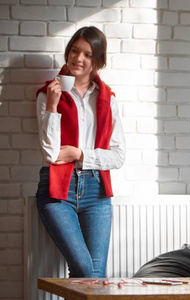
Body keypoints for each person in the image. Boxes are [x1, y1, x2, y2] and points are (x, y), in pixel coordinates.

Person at [35, 26, 125, 278]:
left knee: (96, 275)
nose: (78, 58)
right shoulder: (47, 95)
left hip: (96, 192)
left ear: (98, 60)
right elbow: (51, 154)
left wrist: (79, 154)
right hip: (57, 192)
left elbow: (118, 156)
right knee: (85, 270)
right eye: (75, 51)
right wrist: (53, 107)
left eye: (87, 54)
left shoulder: (109, 99)